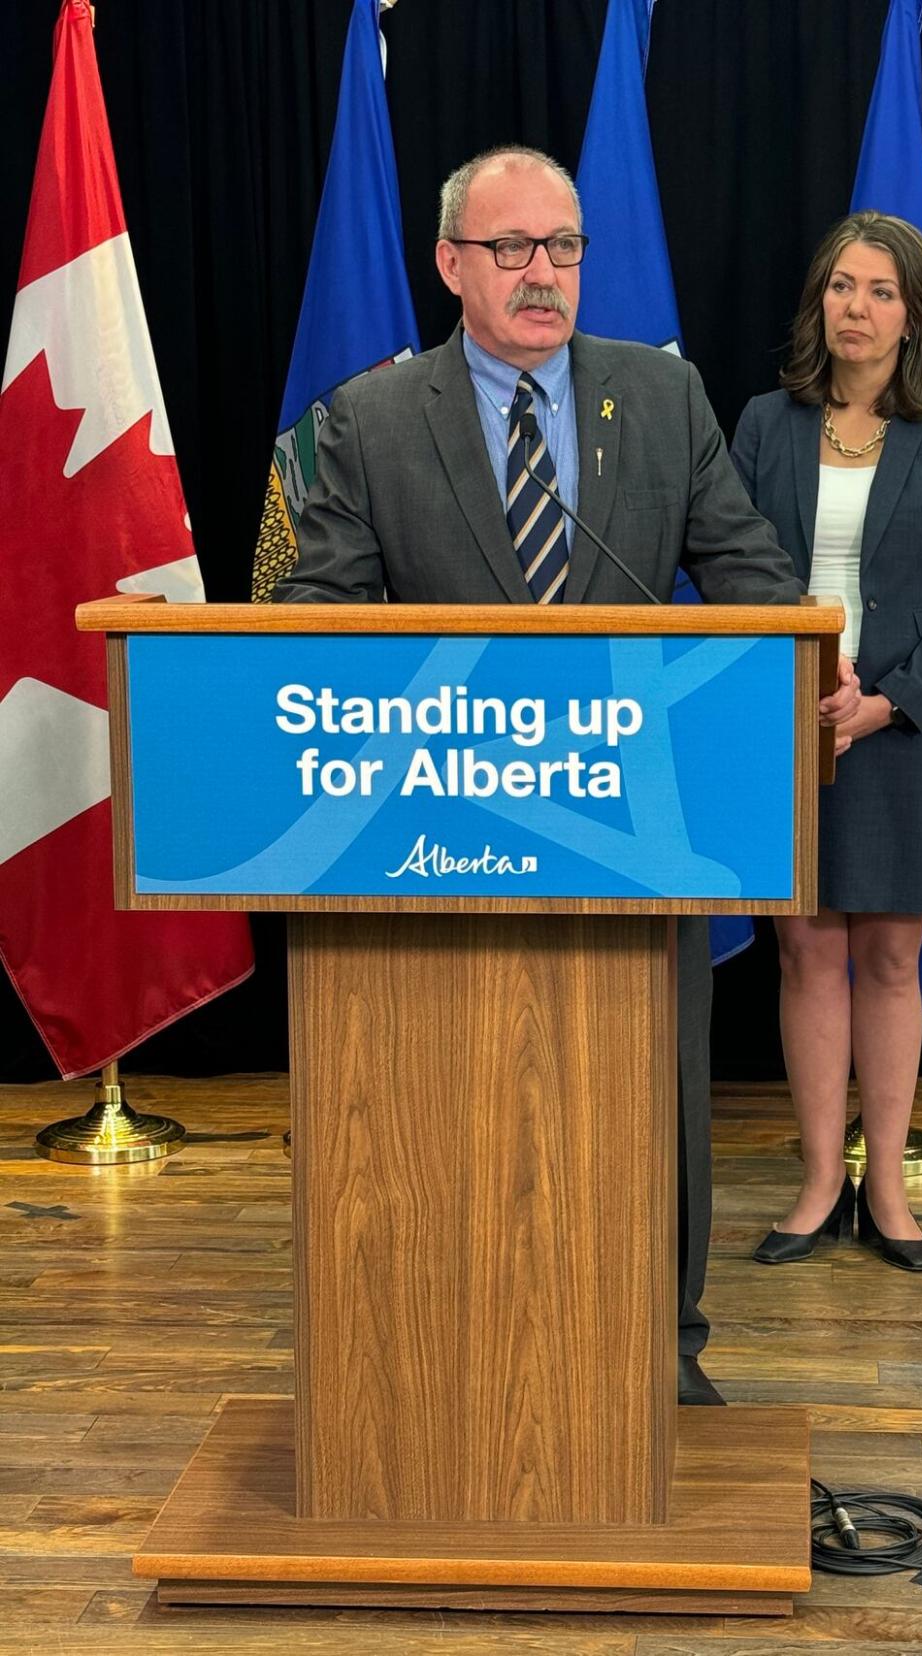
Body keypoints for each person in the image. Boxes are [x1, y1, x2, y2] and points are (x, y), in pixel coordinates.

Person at [275, 146, 860, 1402]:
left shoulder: (662, 396)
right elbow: (319, 621)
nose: (544, 275)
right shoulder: (371, 420)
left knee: (657, 1099)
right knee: (456, 1107)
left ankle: (665, 1344)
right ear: (450, 265)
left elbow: (747, 573)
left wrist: (817, 675)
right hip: (441, 844)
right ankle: (446, 1352)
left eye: (565, 248)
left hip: (640, 827)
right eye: (513, 250)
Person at [732, 210, 922, 1273]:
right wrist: (805, 688)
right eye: (843, 286)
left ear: (915, 315)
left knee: (890, 956)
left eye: (881, 291)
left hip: (907, 727)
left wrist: (886, 701)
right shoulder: (764, 422)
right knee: (805, 949)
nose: (858, 307)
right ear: (821, 302)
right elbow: (732, 570)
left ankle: (885, 1183)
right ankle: (817, 1182)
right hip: (790, 721)